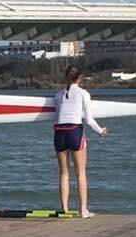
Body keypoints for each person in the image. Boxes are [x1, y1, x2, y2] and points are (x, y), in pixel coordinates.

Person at [53, 65, 108, 219]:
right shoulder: (84, 94)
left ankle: (64, 210)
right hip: (74, 131)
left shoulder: (58, 96)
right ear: (80, 77)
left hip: (59, 132)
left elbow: (59, 114)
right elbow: (89, 120)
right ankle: (83, 211)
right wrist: (100, 131)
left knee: (64, 173)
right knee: (81, 173)